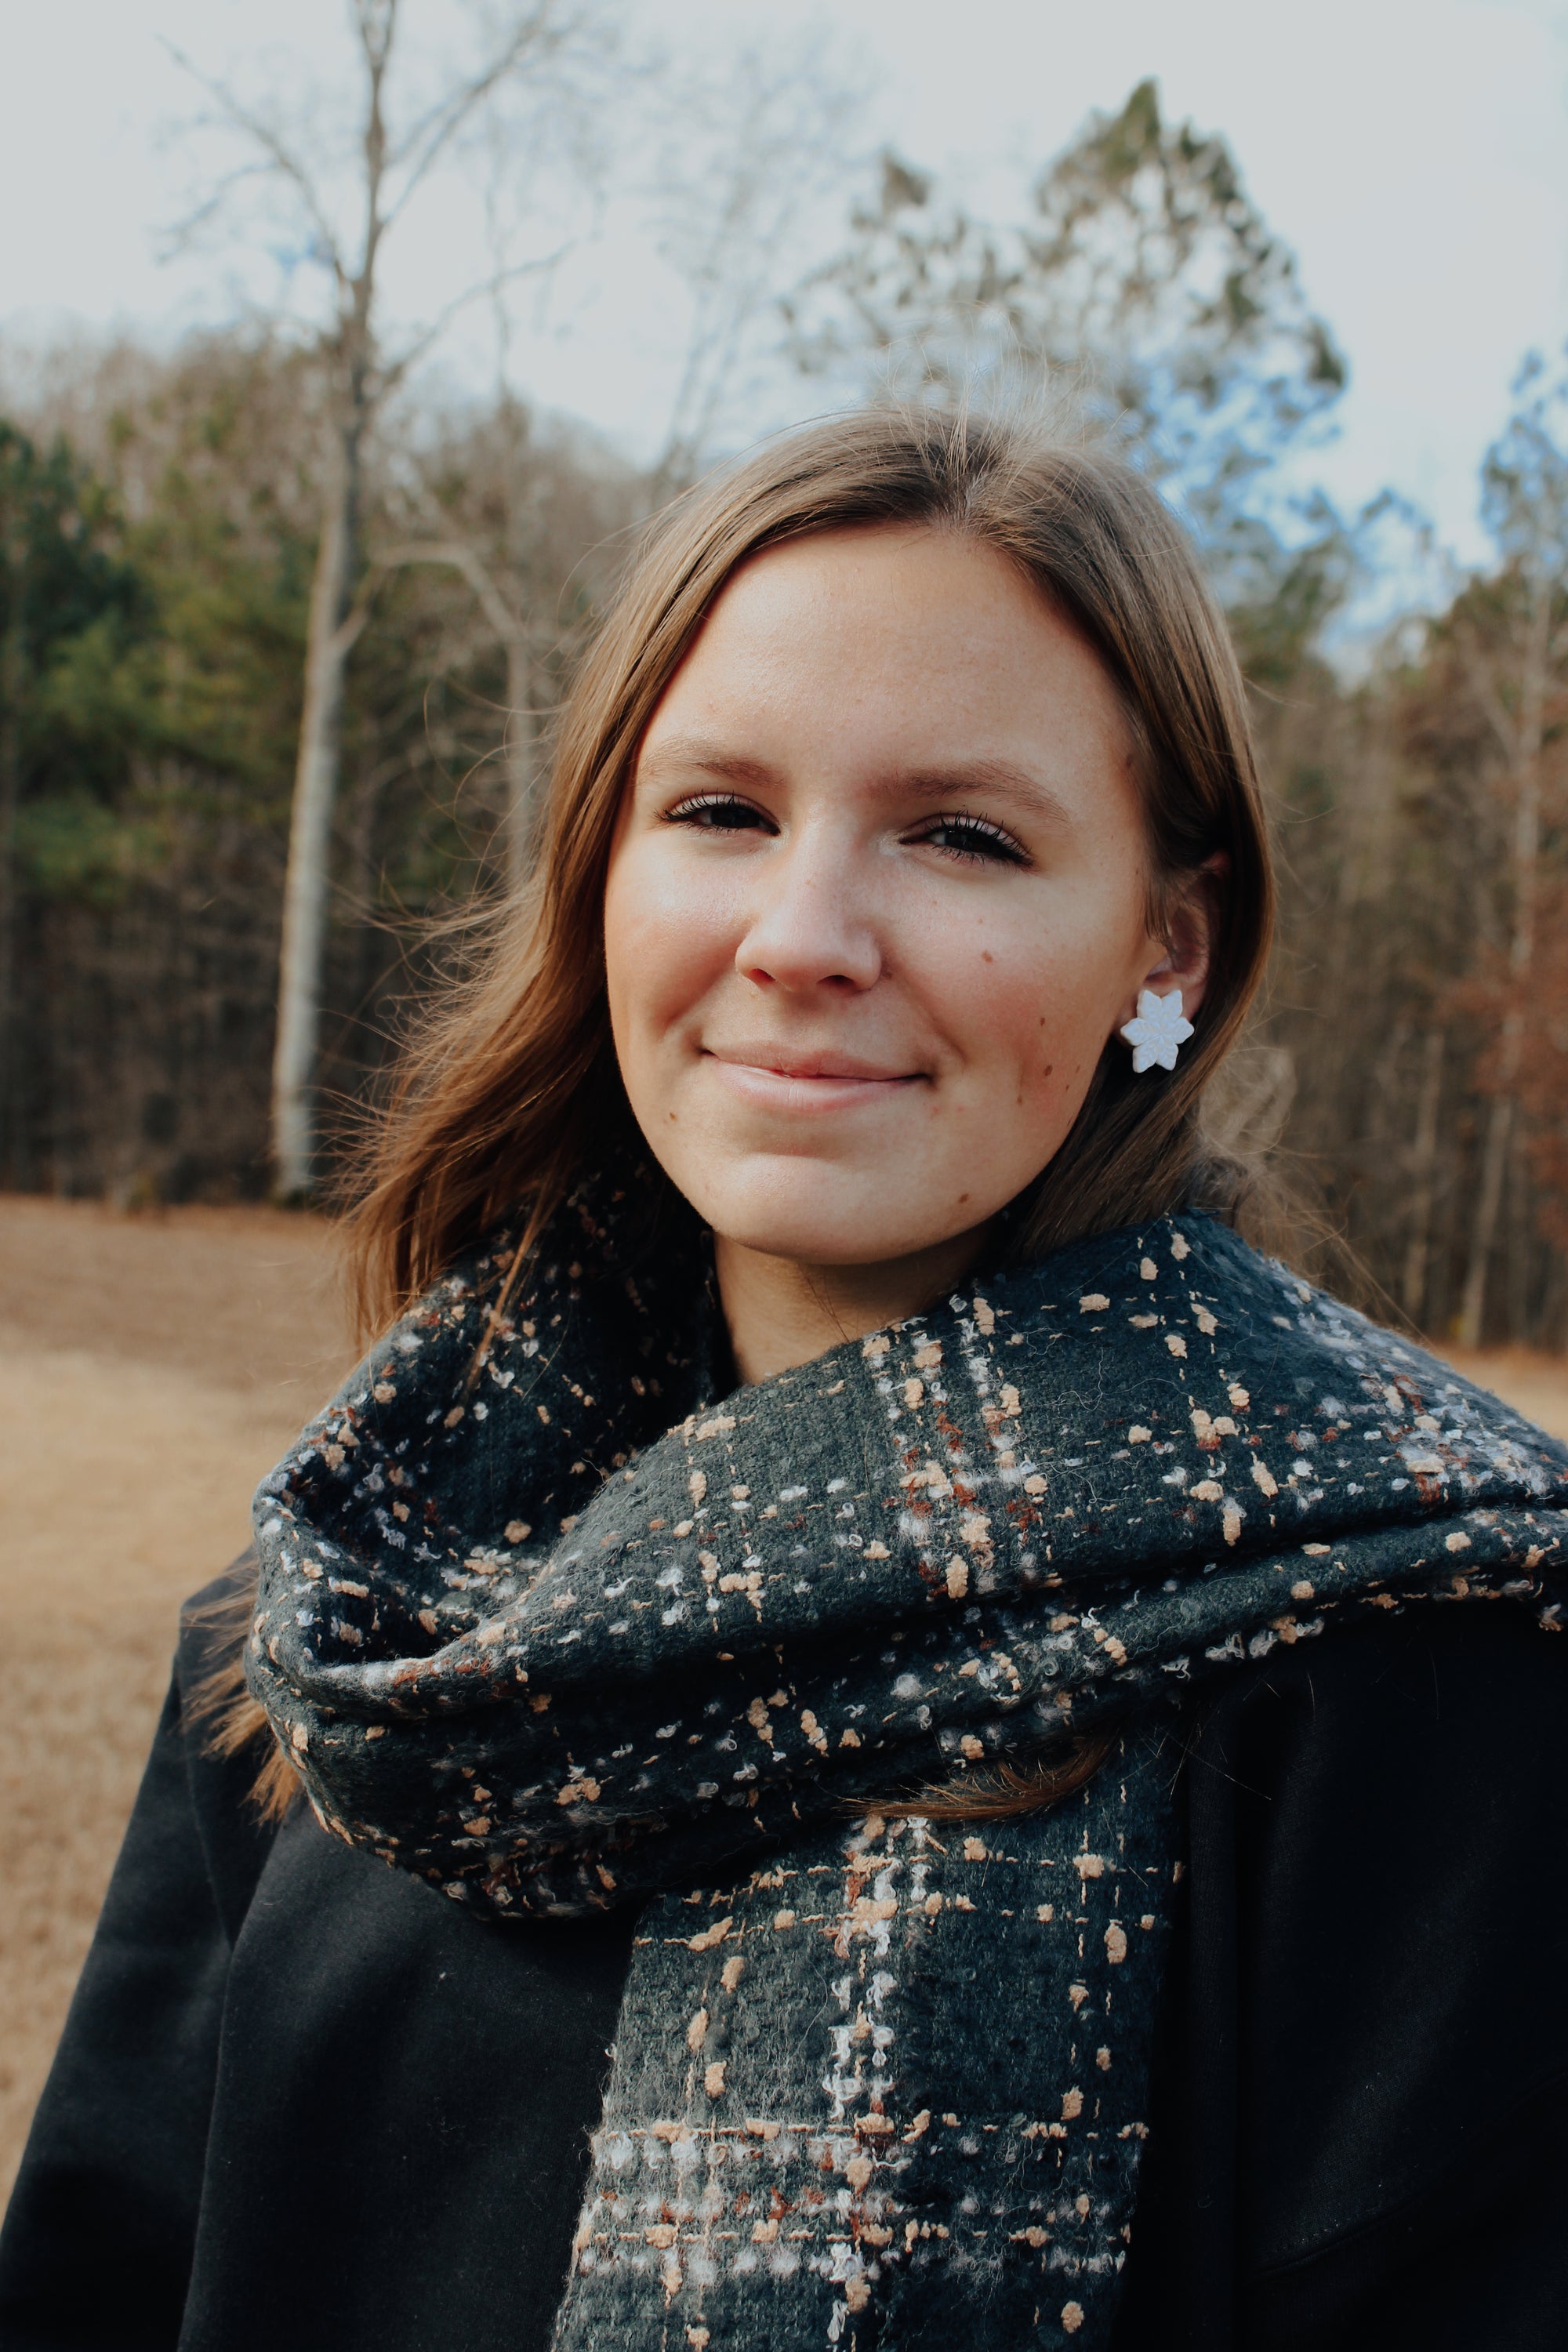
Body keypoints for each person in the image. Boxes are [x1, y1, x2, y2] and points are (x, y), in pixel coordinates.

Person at [2, 408, 1564, 2352]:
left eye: (962, 835)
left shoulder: (1425, 1665)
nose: (803, 936)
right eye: (721, 812)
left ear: (1169, 942)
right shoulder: (339, 1624)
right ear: (601, 872)